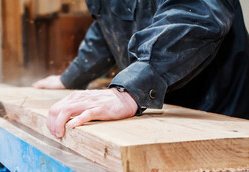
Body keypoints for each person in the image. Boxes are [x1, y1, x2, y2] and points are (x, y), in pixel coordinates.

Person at [33, 0, 249, 139]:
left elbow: (194, 15)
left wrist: (130, 90)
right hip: (159, 109)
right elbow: (107, 24)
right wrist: (71, 77)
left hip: (215, 113)